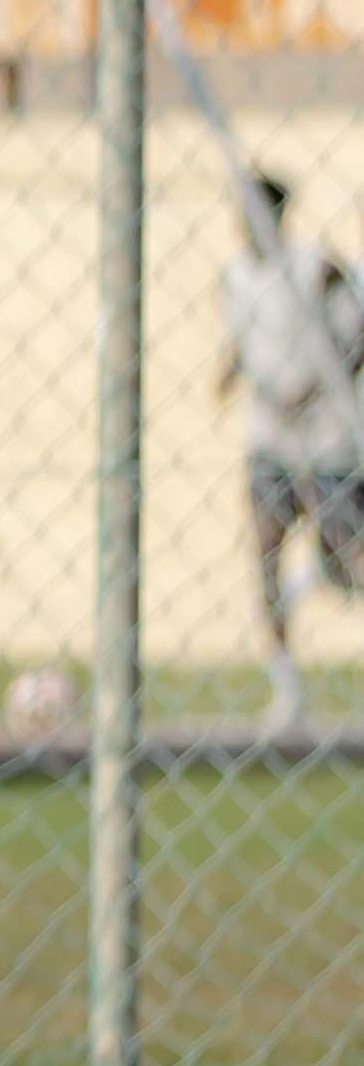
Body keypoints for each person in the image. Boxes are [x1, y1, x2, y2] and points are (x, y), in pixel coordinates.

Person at [217, 165, 364, 728]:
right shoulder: (234, 276)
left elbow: (356, 333)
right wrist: (228, 371)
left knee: (348, 556)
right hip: (270, 441)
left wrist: (320, 384)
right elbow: (245, 337)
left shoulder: (314, 269)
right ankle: (287, 688)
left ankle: (323, 579)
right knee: (266, 550)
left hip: (328, 443)